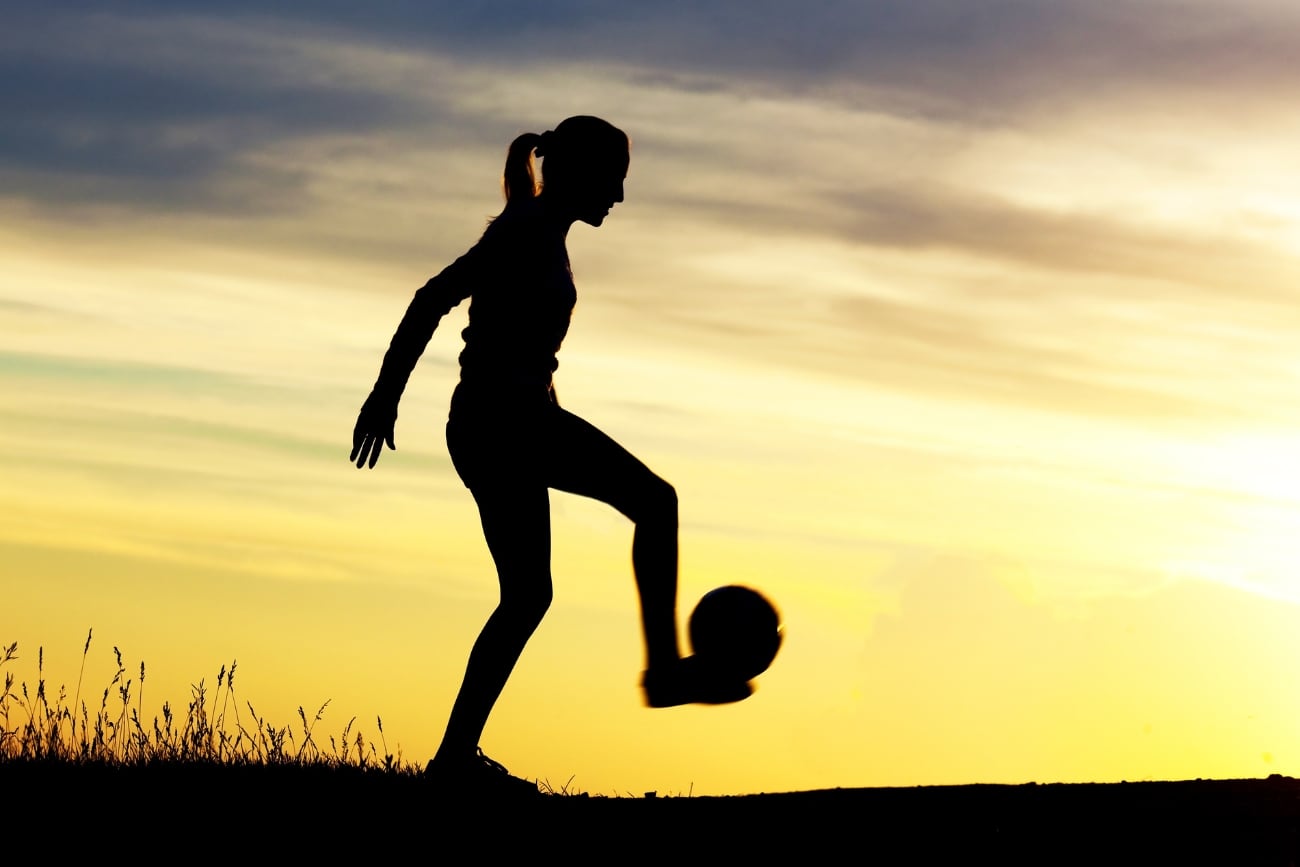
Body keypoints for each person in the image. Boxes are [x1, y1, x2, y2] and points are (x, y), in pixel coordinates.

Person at [350, 116, 751, 795]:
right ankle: (662, 674)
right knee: (656, 502)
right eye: (615, 181)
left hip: (499, 422)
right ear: (579, 172)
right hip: (503, 423)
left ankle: (453, 758)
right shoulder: (525, 231)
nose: (620, 198)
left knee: (529, 594)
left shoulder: (540, 233)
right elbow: (431, 299)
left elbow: (514, 343)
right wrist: (384, 395)